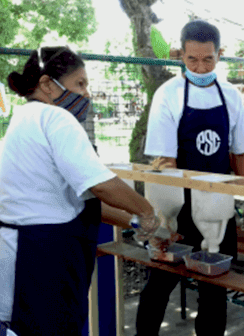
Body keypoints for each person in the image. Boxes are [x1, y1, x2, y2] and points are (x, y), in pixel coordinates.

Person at [0, 47, 160, 336]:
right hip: (46, 261)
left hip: (22, 252)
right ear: (48, 84)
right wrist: (146, 211)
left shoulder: (23, 118)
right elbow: (101, 185)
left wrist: (133, 222)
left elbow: (76, 199)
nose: (86, 94)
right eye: (80, 84)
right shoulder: (56, 118)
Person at [136, 19, 244, 336]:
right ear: (181, 56)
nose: (200, 67)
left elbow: (240, 153)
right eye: (192, 60)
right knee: (160, 280)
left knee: (215, 286)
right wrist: (166, 222)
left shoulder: (231, 96)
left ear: (220, 55)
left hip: (220, 208)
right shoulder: (168, 95)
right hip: (179, 206)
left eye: (207, 59)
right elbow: (166, 163)